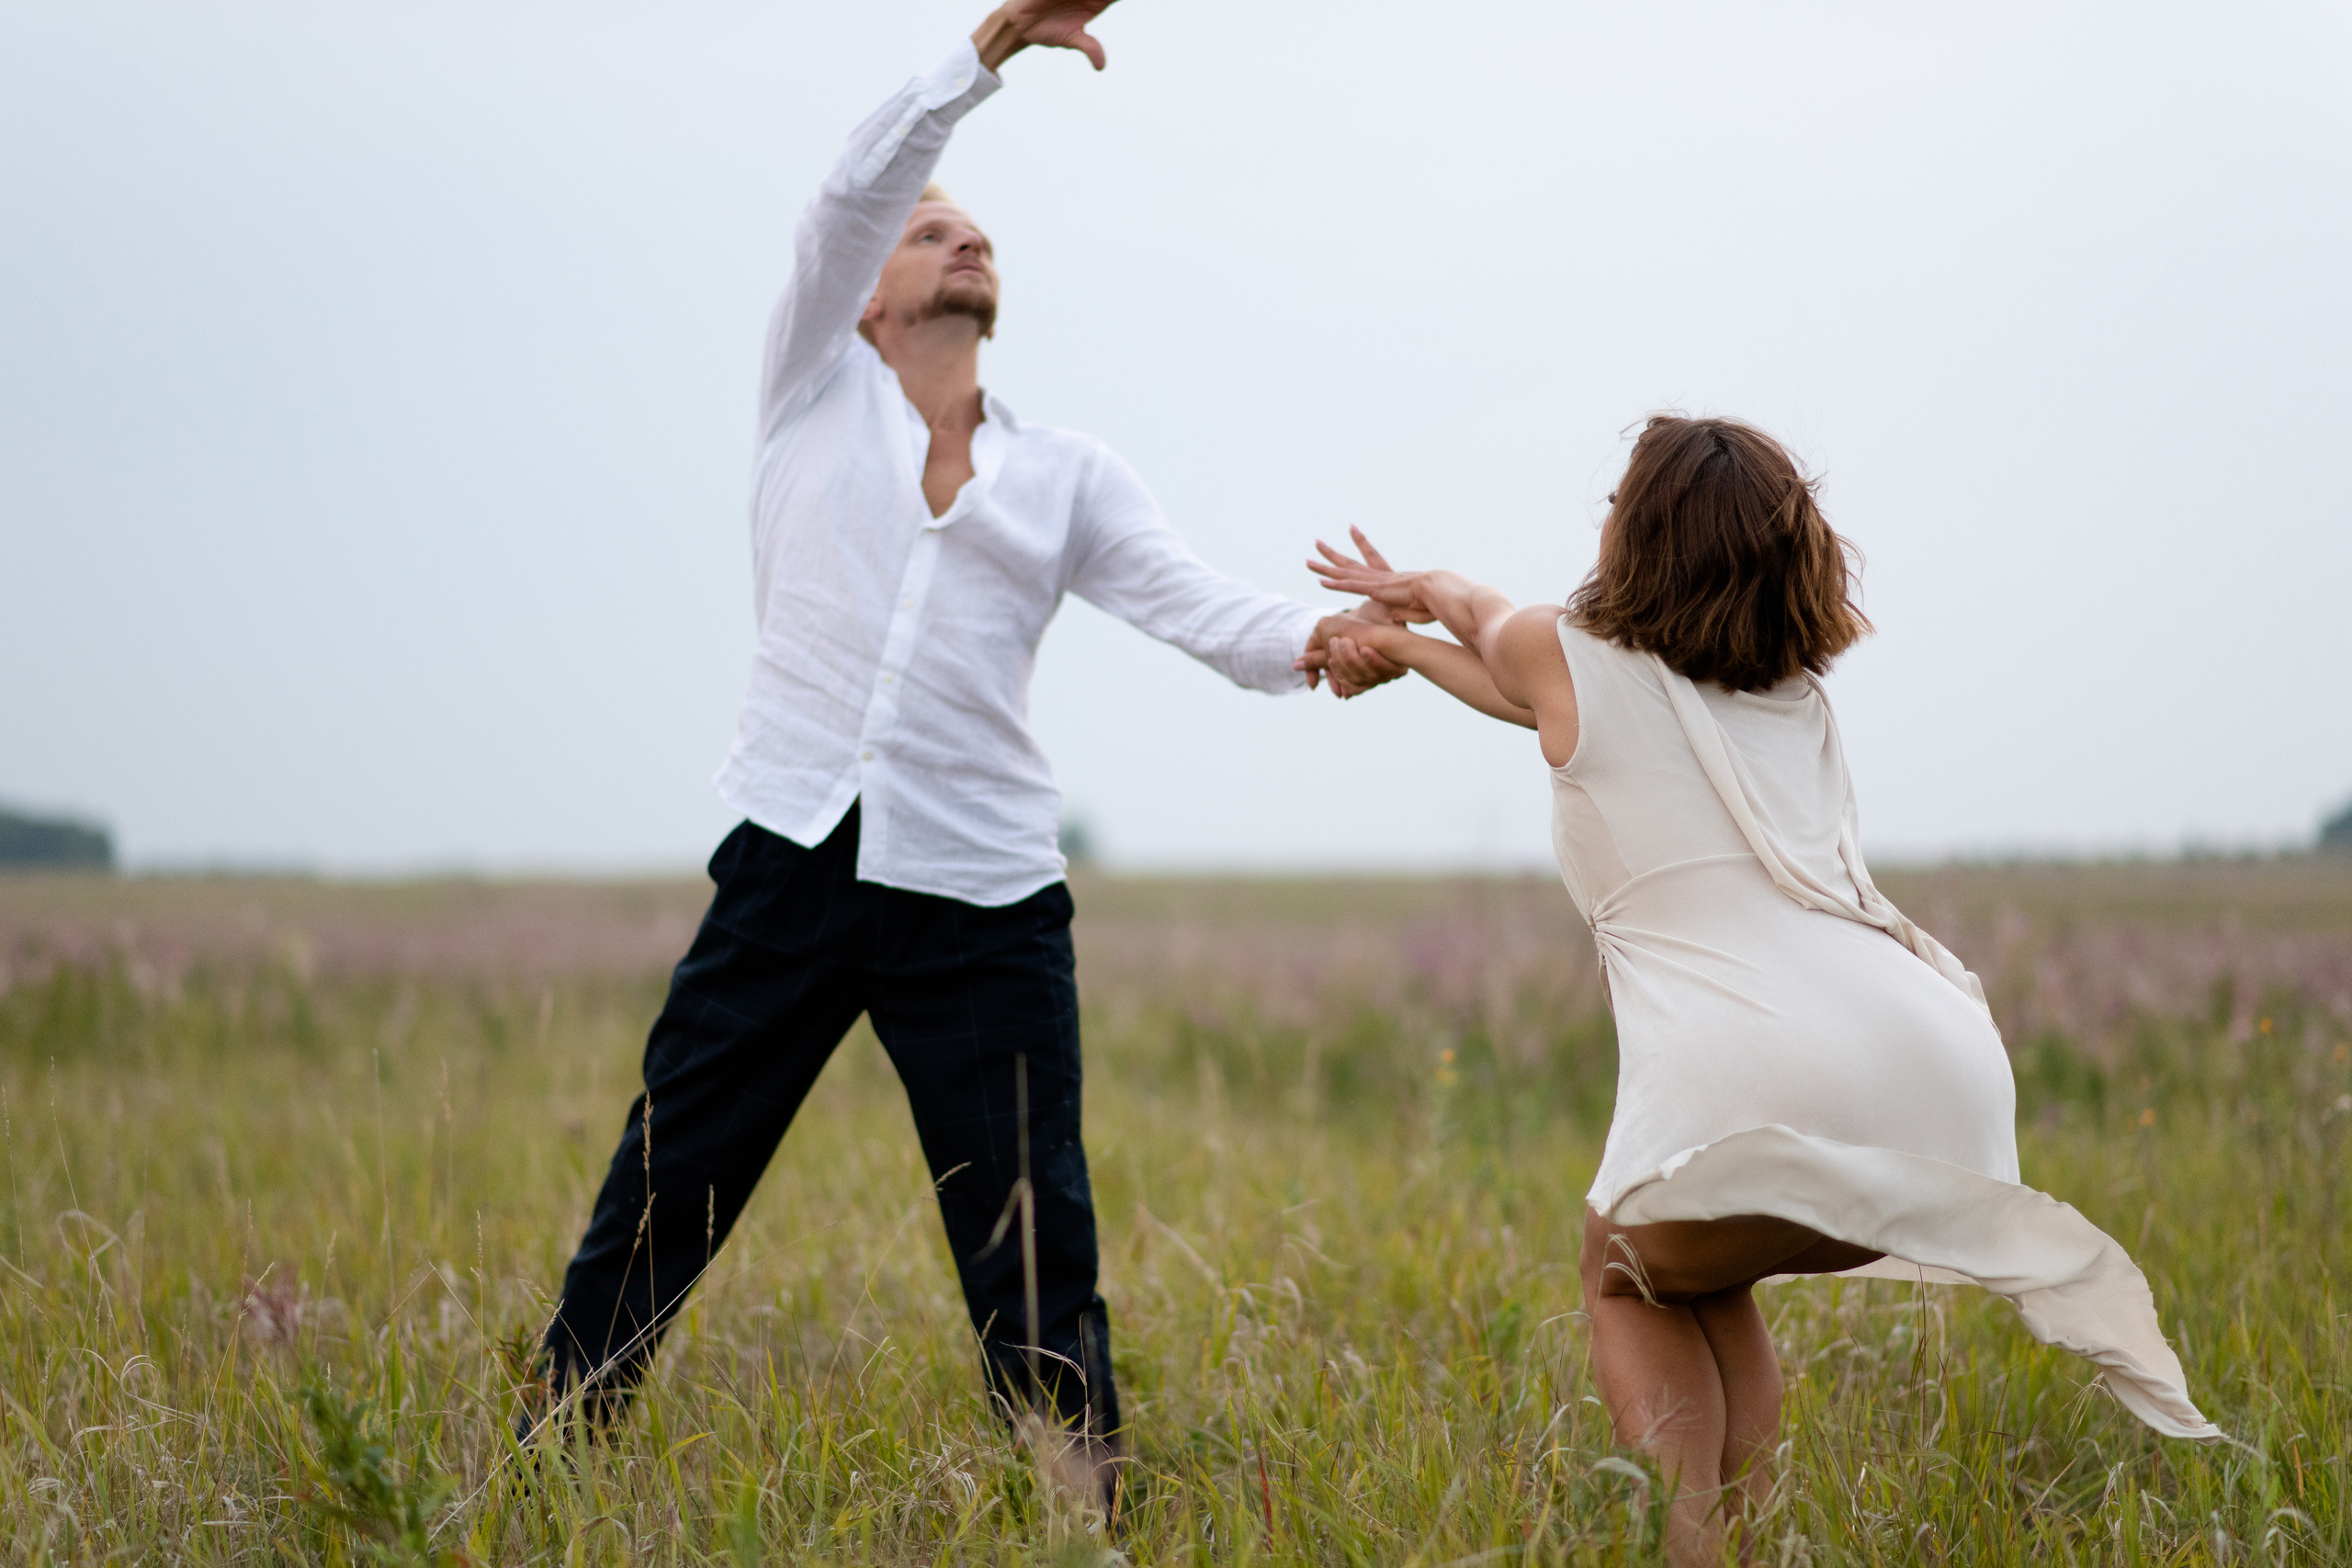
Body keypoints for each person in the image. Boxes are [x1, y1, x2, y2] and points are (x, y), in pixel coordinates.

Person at [531, 0, 1401, 1484]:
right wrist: (986, 53)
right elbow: (847, 197)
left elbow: (1194, 602)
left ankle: (1079, 1504)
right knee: (670, 1183)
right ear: (867, 298)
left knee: (1033, 1240)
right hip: (791, 864)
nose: (964, 238)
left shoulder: (1067, 474)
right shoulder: (808, 394)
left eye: (978, 232)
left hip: (985, 900)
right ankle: (546, 1461)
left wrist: (1319, 641)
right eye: (930, 231)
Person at [1304, 414, 2218, 1565]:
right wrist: (1405, 629)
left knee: (1622, 1276)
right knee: (1699, 1270)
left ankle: (1691, 1551)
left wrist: (1389, 626)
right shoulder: (1790, 698)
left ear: (1639, 539)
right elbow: (1513, 677)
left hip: (1757, 1067)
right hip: (1932, 1068)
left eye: (1617, 508)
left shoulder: (1563, 653)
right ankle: (1744, 1545)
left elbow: (1498, 638)